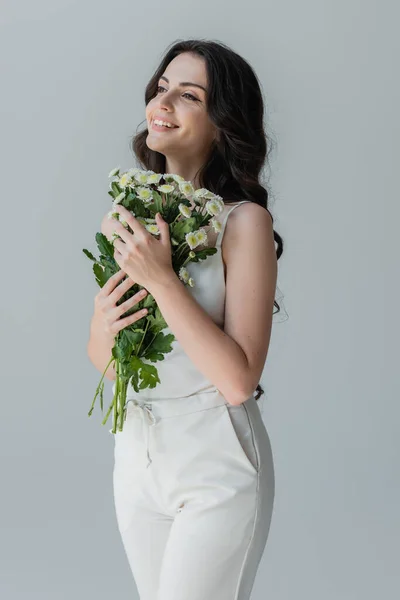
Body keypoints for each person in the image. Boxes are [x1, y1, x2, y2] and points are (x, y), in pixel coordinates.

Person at [87, 39, 285, 600]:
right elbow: (108, 366)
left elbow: (238, 379)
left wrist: (160, 278)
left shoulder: (244, 222)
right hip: (138, 451)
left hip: (214, 460)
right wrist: (106, 320)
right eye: (162, 87)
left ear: (222, 123)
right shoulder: (128, 216)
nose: (163, 100)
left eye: (188, 95)